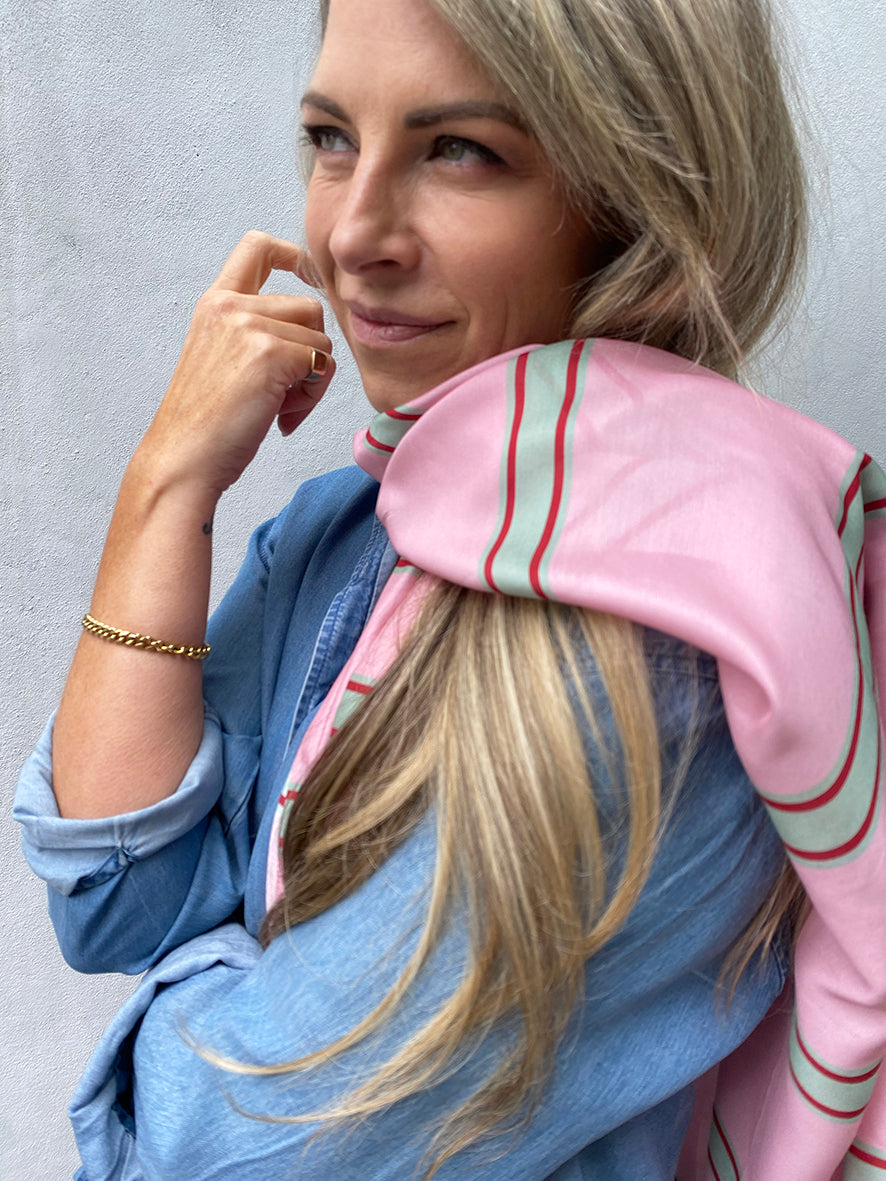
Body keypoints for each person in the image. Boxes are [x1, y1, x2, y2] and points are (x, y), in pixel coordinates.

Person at [13, 0, 886, 1177]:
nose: (352, 232)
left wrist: (232, 973)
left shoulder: (658, 643)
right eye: (332, 138)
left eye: (459, 150)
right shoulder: (363, 526)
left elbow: (206, 1147)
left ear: (630, 200)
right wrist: (165, 486)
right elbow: (120, 897)